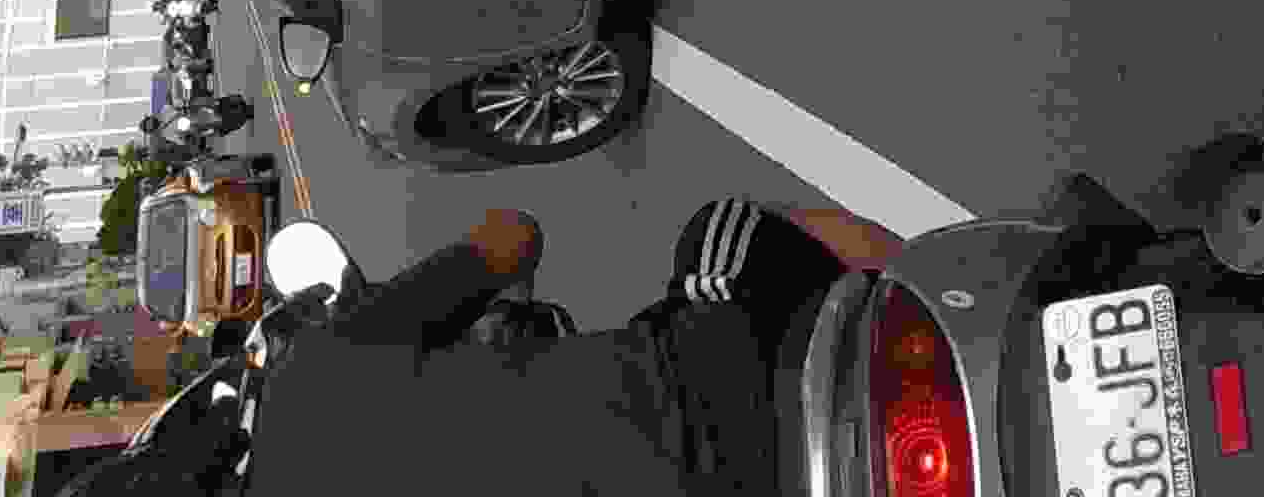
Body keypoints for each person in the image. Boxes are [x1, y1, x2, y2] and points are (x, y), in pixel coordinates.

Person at [242, 193, 910, 497]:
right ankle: (931, 288)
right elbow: (514, 235)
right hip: (712, 402)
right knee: (728, 229)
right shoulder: (309, 384)